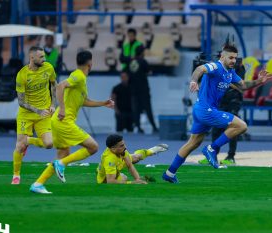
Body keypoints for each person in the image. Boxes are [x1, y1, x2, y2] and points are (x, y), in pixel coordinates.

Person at [162, 44, 272, 183]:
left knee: (193, 143)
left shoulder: (230, 73)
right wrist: (193, 81)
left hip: (201, 110)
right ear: (222, 57)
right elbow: (199, 69)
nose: (233, 61)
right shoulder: (216, 66)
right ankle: (212, 149)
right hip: (206, 111)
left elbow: (243, 86)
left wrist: (259, 81)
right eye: (230, 57)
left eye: (235, 58)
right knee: (241, 126)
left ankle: (170, 173)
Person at [29, 50, 114, 194]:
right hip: (63, 121)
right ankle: (60, 164)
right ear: (90, 63)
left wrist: (102, 103)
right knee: (93, 147)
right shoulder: (78, 75)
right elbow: (60, 86)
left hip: (58, 121)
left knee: (63, 154)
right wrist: (61, 108)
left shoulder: (81, 79)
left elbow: (84, 101)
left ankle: (38, 184)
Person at [11, 46, 57, 185]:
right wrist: (37, 110)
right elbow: (21, 101)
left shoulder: (48, 68)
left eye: (44, 56)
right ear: (32, 57)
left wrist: (53, 104)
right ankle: (16, 175)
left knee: (49, 144)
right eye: (41, 57)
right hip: (27, 114)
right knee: (19, 146)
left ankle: (29, 141)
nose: (45, 59)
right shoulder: (22, 75)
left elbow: (54, 85)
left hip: (44, 113)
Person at [96, 134, 168, 184]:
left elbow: (130, 165)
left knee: (136, 157)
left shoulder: (121, 150)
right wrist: (133, 182)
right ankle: (105, 171)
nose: (125, 147)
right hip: (104, 181)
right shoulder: (110, 159)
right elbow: (110, 182)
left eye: (124, 144)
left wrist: (138, 179)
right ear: (113, 149)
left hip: (117, 165)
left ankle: (151, 151)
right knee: (124, 178)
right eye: (121, 145)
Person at [126, 46, 159, 134]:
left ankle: (138, 127)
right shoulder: (143, 61)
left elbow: (129, 74)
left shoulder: (131, 62)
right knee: (148, 109)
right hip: (143, 89)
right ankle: (154, 127)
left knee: (135, 109)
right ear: (141, 53)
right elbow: (149, 71)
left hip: (133, 89)